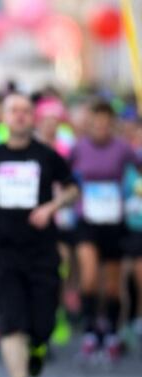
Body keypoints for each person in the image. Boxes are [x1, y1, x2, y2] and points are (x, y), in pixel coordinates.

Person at [0, 93, 79, 377]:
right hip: (3, 250)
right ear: (4, 117)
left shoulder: (47, 156)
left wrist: (51, 208)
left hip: (41, 249)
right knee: (11, 320)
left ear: (32, 118)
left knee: (44, 321)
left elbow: (73, 188)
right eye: (13, 111)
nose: (20, 116)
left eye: (25, 111)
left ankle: (38, 345)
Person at [70, 101, 141, 362]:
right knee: (88, 277)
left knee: (112, 285)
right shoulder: (79, 148)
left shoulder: (122, 148)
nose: (100, 128)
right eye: (96, 123)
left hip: (114, 220)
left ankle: (110, 331)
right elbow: (65, 175)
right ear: (89, 124)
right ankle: (90, 331)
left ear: (112, 124)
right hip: (86, 219)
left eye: (105, 123)